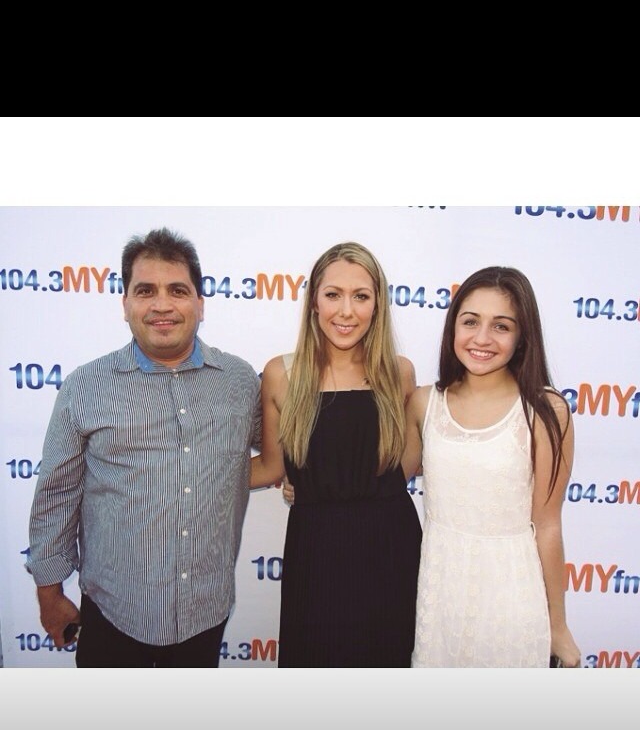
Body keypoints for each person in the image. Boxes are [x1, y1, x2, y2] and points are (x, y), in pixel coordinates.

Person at [28, 228, 261, 667]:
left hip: (204, 615)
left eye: (178, 290)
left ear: (200, 303)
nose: (162, 304)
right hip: (112, 616)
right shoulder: (85, 386)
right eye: (145, 290)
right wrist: (49, 592)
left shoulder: (239, 381)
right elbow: (55, 496)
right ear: (125, 304)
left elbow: (285, 449)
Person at [250, 242, 422, 667]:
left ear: (378, 305)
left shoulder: (399, 373)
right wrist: (187, 471)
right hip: (316, 550)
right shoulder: (281, 374)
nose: (346, 311)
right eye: (333, 295)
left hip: (390, 548)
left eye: (361, 296)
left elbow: (404, 465)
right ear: (313, 302)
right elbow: (272, 466)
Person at [403, 265, 581, 668]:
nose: (481, 339)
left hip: (512, 601)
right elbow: (385, 479)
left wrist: (558, 626)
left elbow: (548, 524)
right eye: (470, 322)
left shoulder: (546, 410)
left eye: (501, 326)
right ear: (453, 328)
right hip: (439, 598)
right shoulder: (423, 402)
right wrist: (307, 480)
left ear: (521, 338)